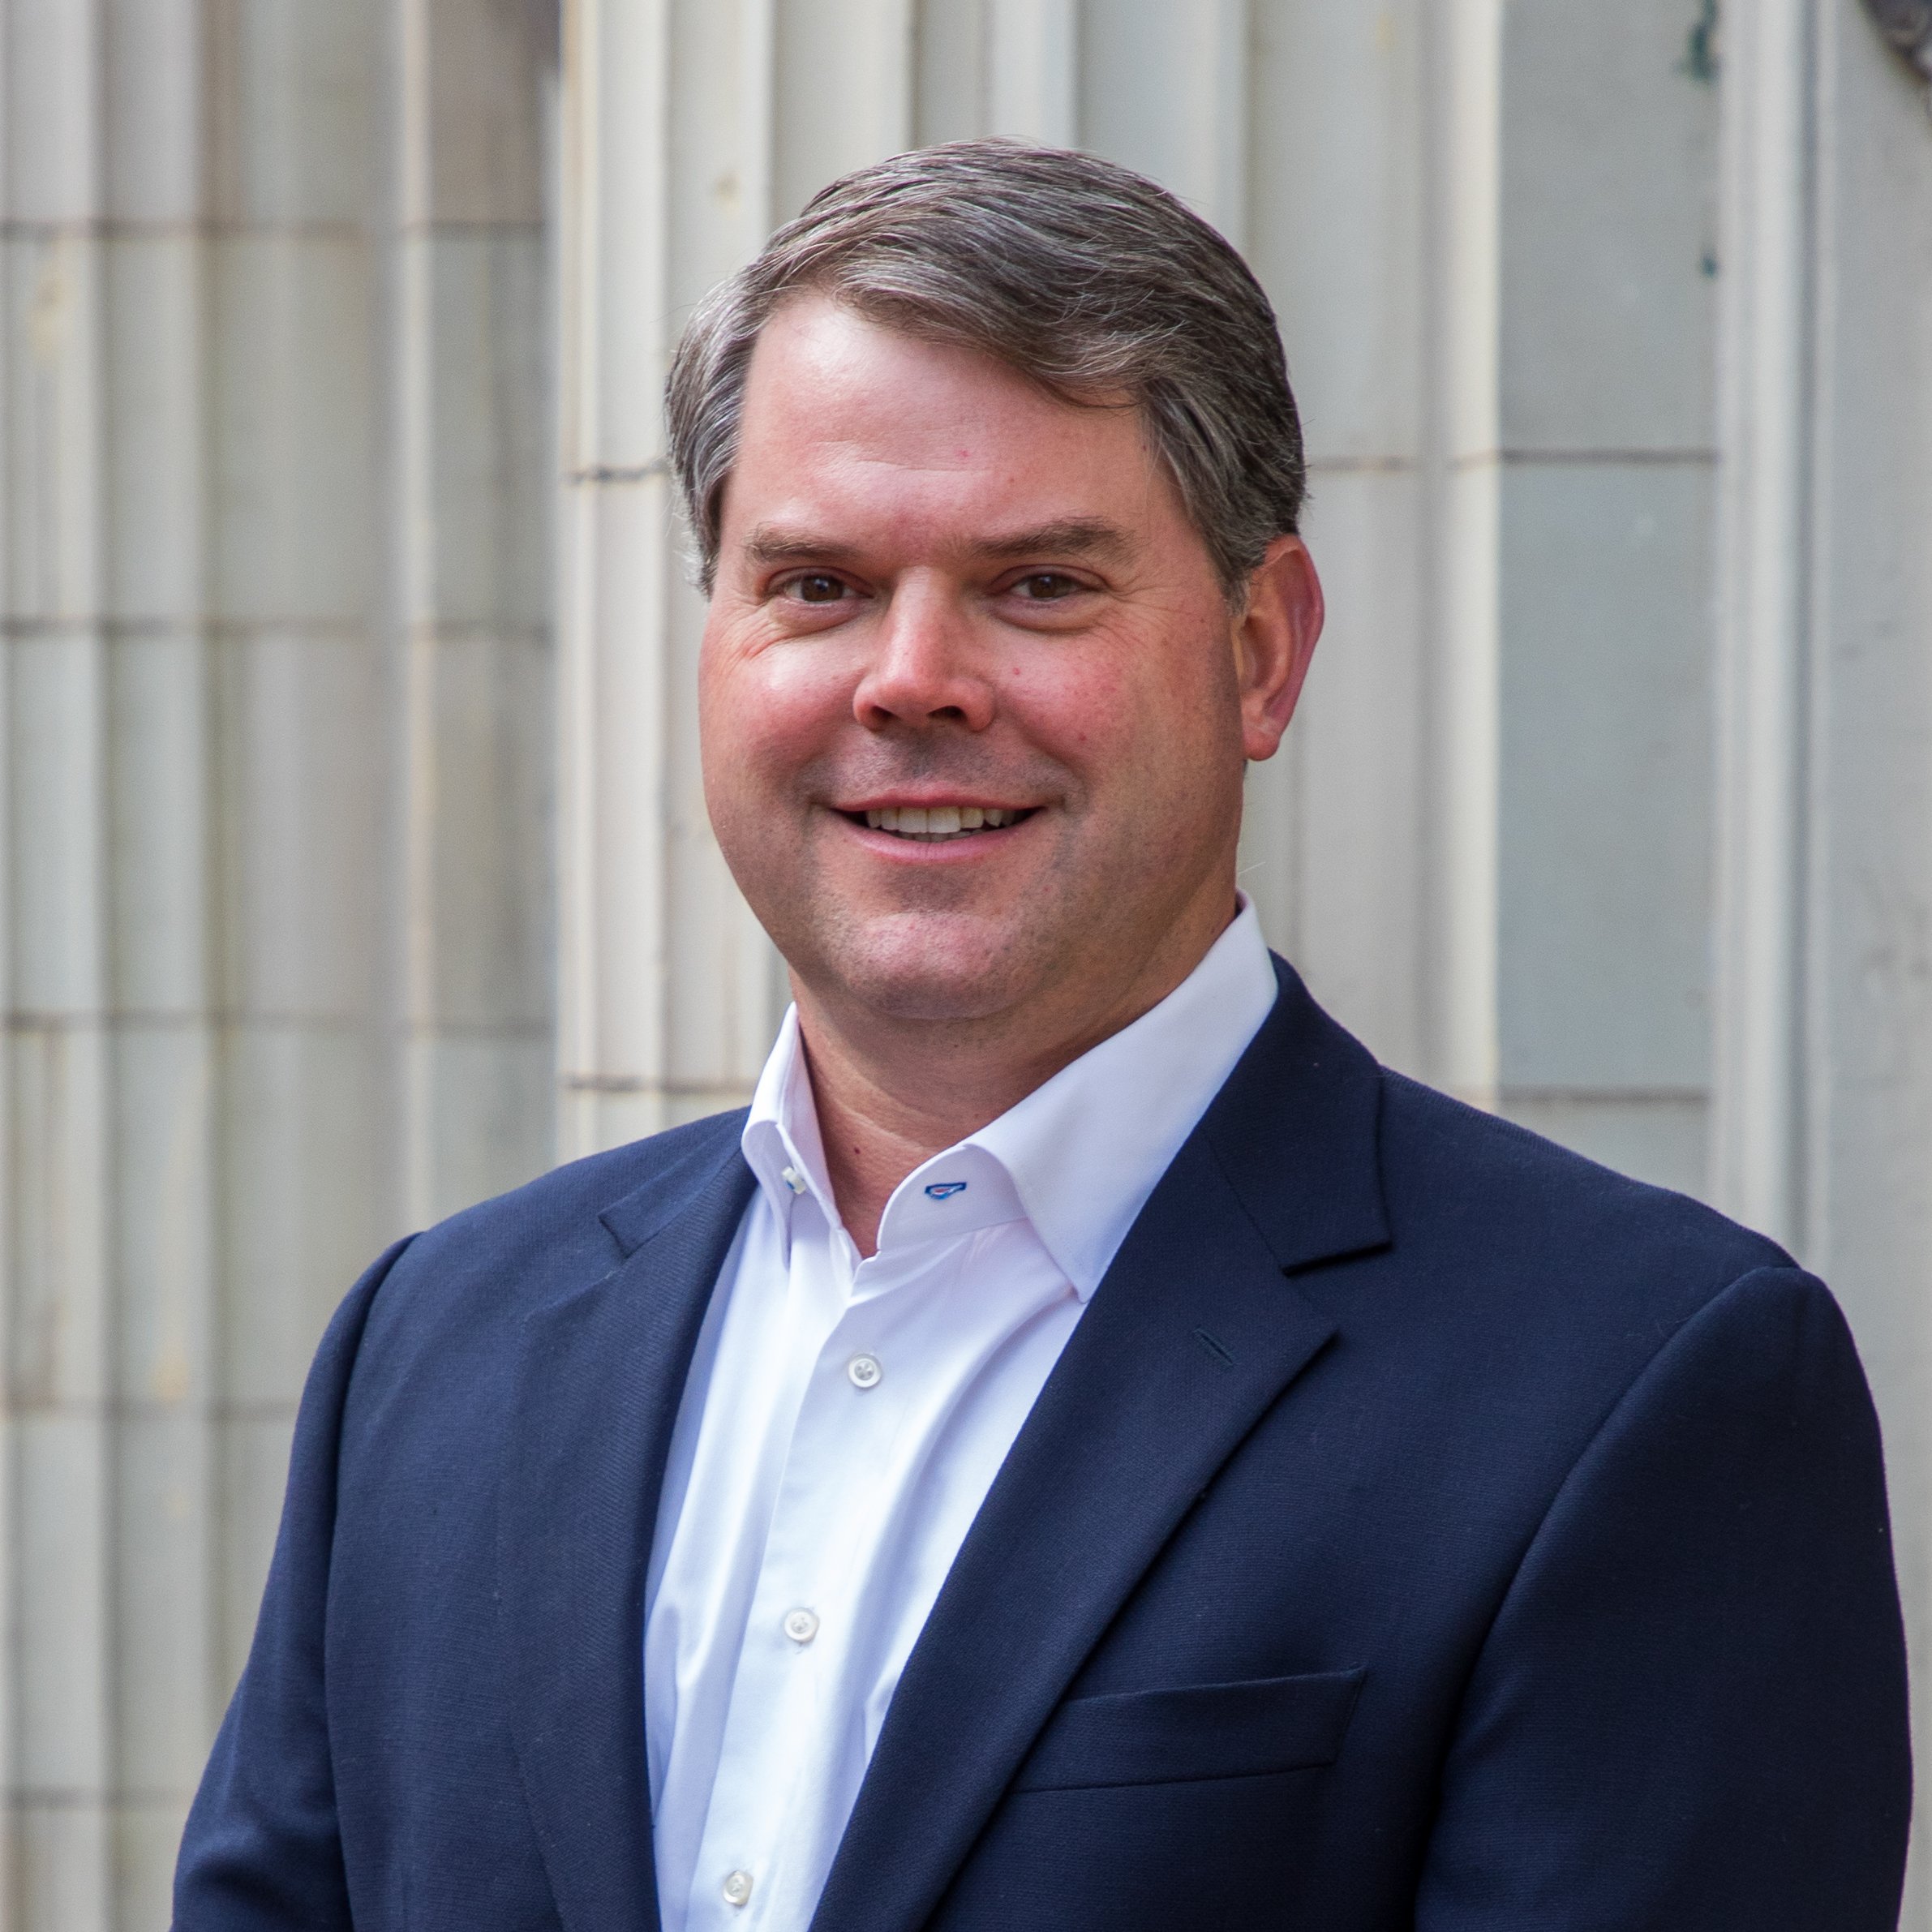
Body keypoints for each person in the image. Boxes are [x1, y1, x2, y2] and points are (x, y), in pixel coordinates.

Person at [174, 141, 1910, 1932]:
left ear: (1259, 652)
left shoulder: (1641, 1392)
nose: (912, 678)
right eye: (819, 586)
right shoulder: (433, 1352)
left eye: (1038, 586)